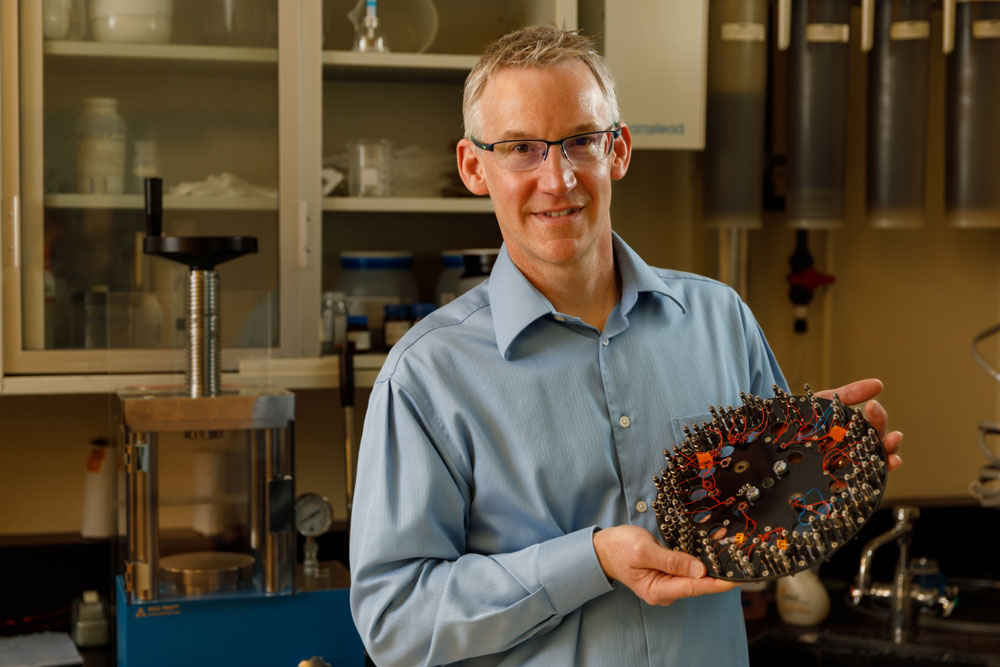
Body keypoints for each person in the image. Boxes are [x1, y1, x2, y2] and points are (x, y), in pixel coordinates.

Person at [349, 26, 903, 666]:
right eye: (521, 149)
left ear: (619, 150)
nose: (557, 180)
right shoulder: (427, 376)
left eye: (581, 141)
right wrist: (592, 560)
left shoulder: (720, 319)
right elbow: (394, 622)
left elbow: (763, 542)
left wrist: (820, 467)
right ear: (476, 167)